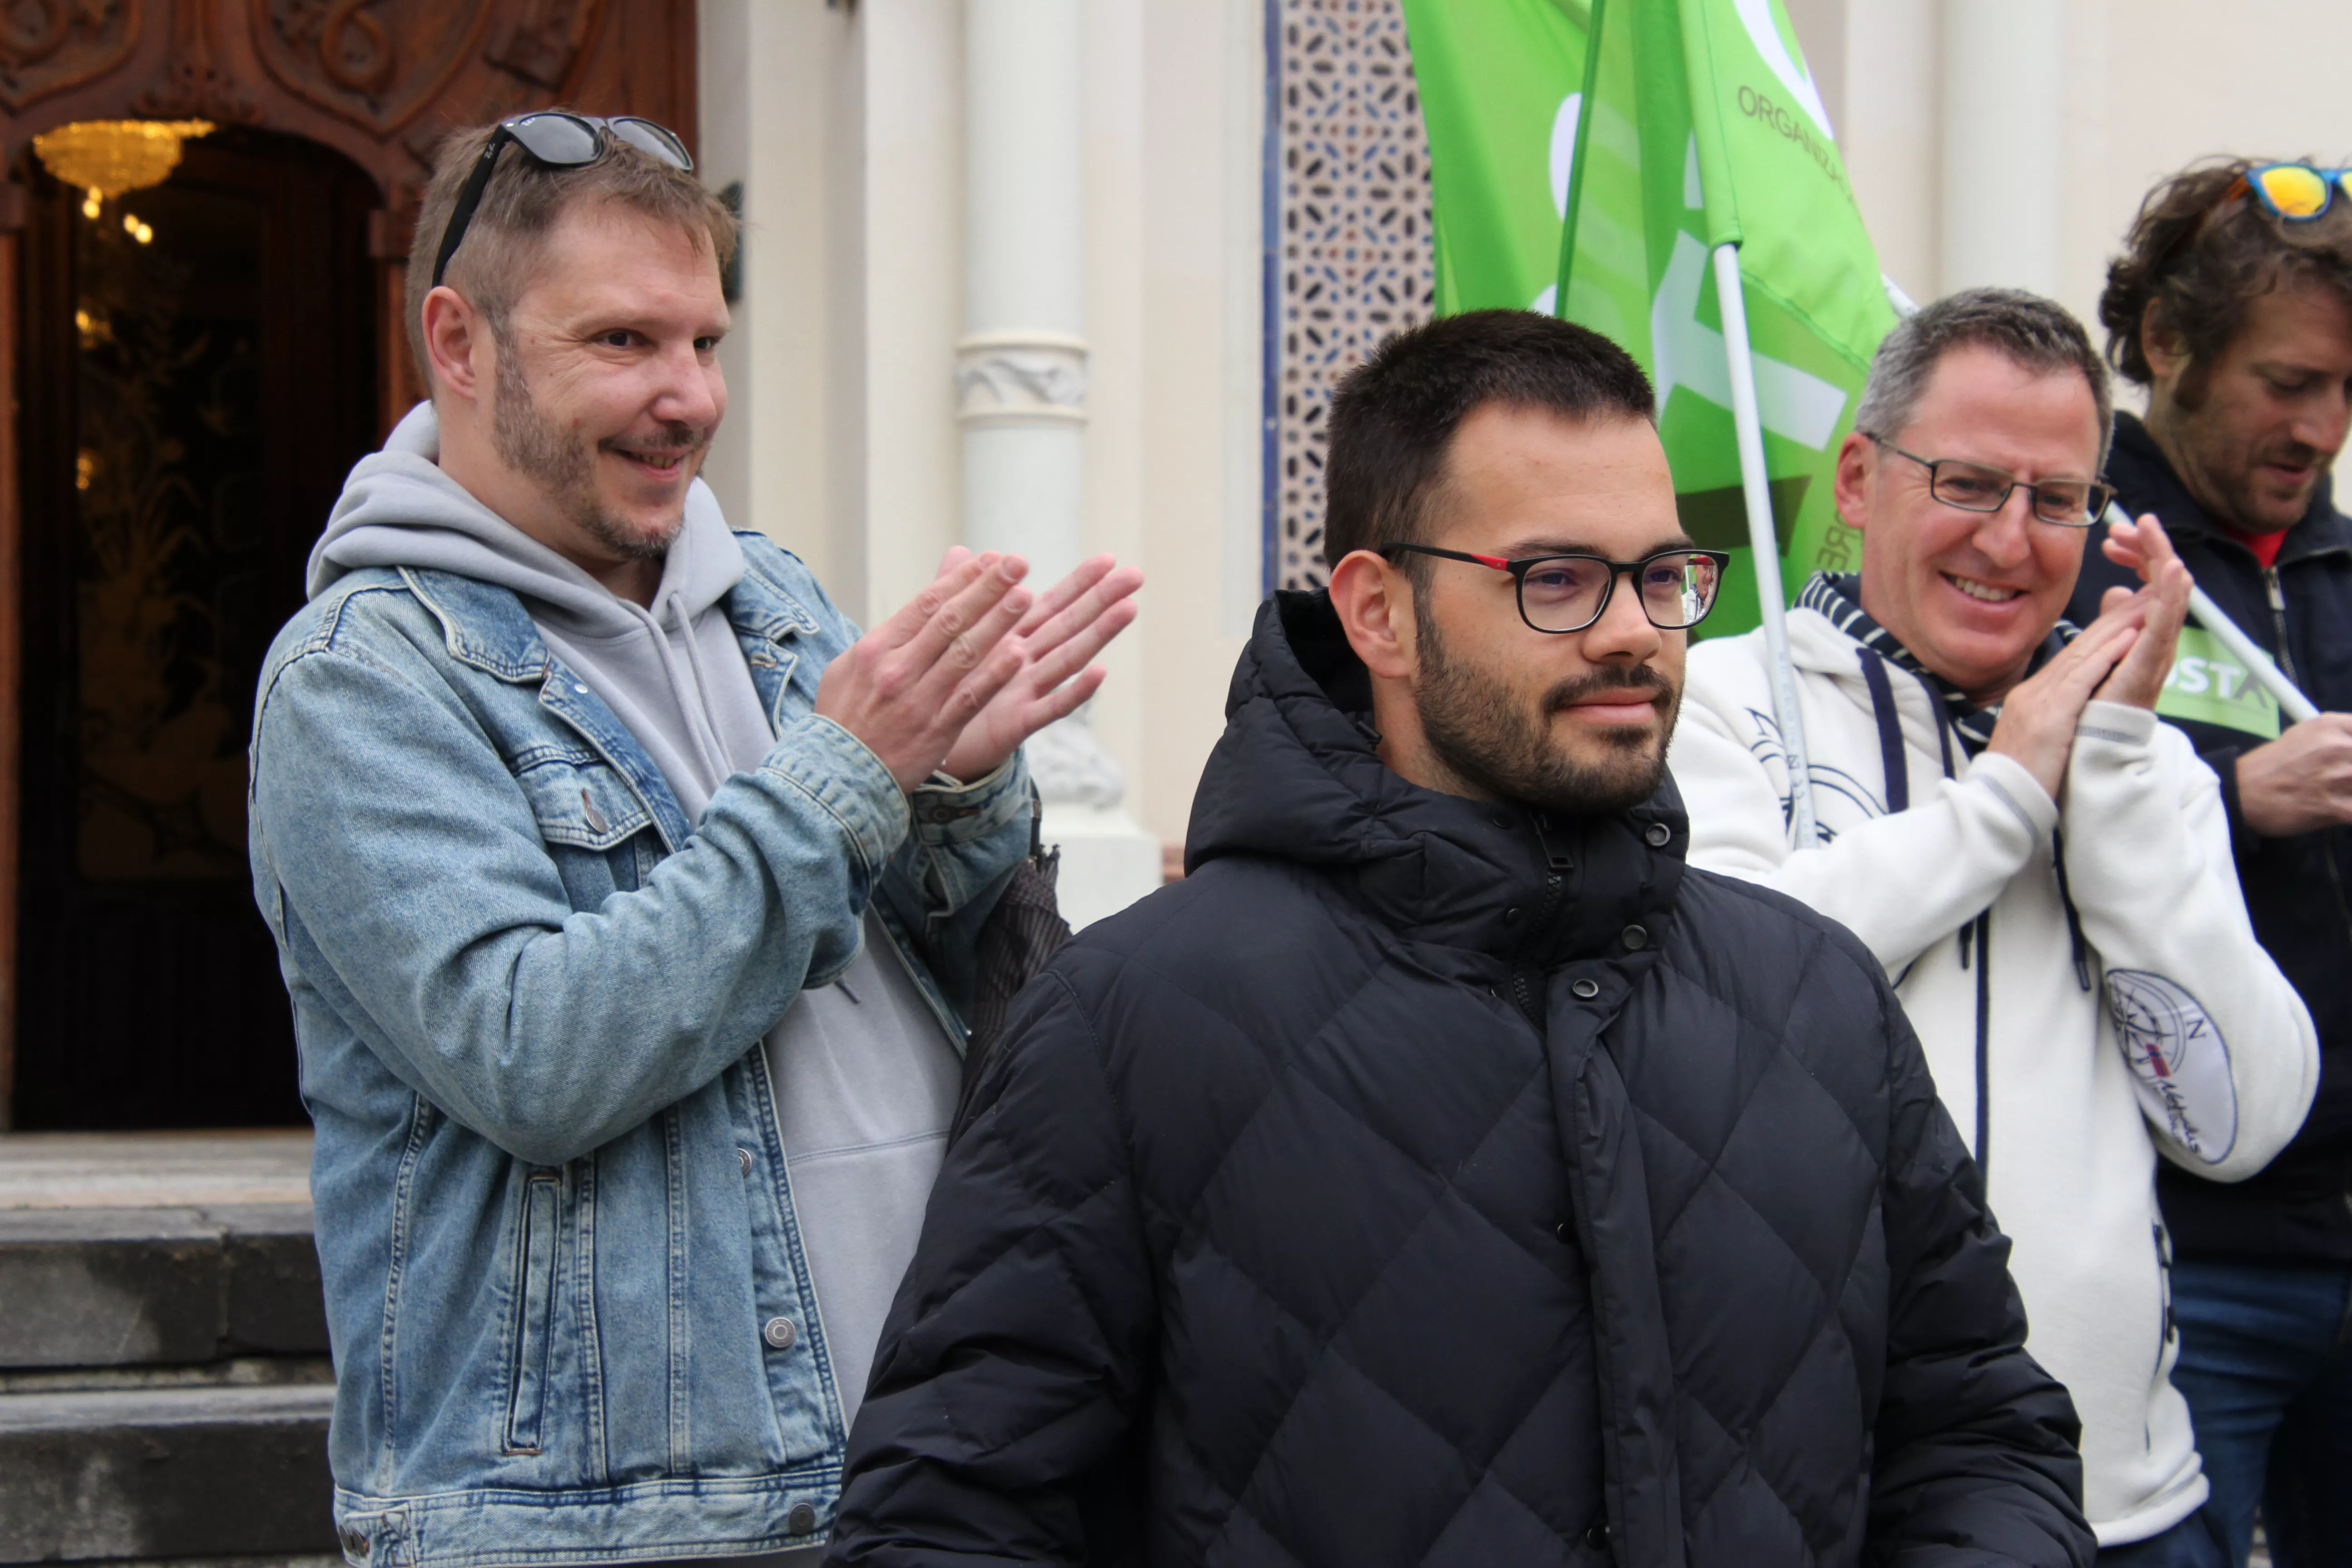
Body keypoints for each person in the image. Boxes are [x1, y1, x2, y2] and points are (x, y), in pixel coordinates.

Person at [823, 309, 2095, 1567]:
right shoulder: (1135, 1017)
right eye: (1555, 579)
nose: (1632, 631)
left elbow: (1982, 1434)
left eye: (1662, 576)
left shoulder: (1817, 995)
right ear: (1378, 612)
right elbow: (948, 1514)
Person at [246, 112, 1139, 1566]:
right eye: (622, 343)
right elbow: (536, 1055)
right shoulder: (364, 674)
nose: (689, 398)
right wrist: (845, 778)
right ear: (460, 344)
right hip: (613, 1521)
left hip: (923, 1470)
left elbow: (932, 947)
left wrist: (961, 793)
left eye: (706, 344)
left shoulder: (774, 597)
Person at [1669, 288, 2319, 1566]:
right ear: (1859, 481)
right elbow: (1737, 1016)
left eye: (2058, 498)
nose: (2012, 541)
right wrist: (2005, 801)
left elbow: (2236, 1123)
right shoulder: (1716, 704)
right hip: (1818, 1501)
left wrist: (2115, 772)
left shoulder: (2146, 768)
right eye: (1968, 483)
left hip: (2122, 1508)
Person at [2070, 157, 2352, 1568]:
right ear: (2170, 345)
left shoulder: (2345, 573)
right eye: (2290, 383)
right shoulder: (2066, 552)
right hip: (2192, 1254)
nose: (2324, 429)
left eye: (2349, 391)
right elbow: (2022, 836)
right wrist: (2237, 801)